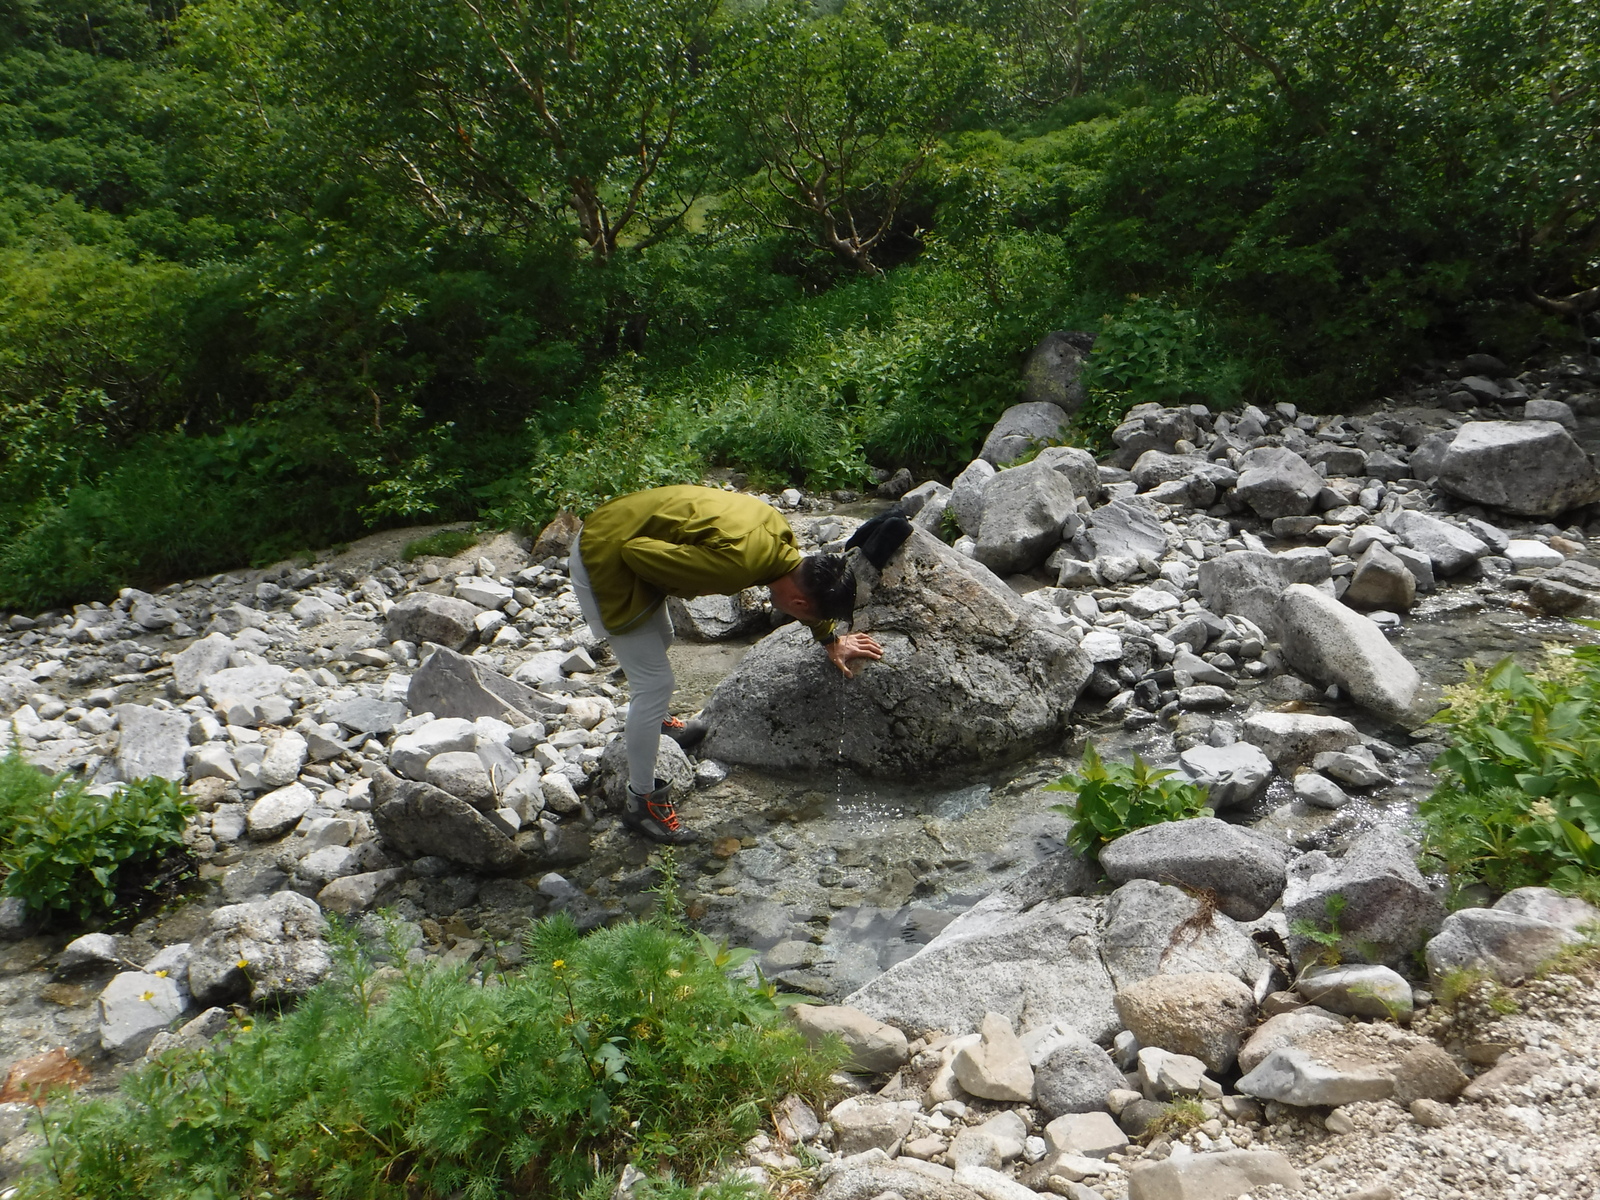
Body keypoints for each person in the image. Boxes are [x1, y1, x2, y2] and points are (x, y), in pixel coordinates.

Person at [570, 485, 884, 844]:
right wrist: (686, 581)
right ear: (797, 602)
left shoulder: (780, 539)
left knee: (663, 638)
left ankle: (655, 721)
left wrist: (830, 638)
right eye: (801, 613)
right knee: (654, 684)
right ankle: (642, 804)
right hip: (605, 554)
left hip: (624, 520)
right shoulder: (733, 568)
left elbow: (804, 597)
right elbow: (635, 552)